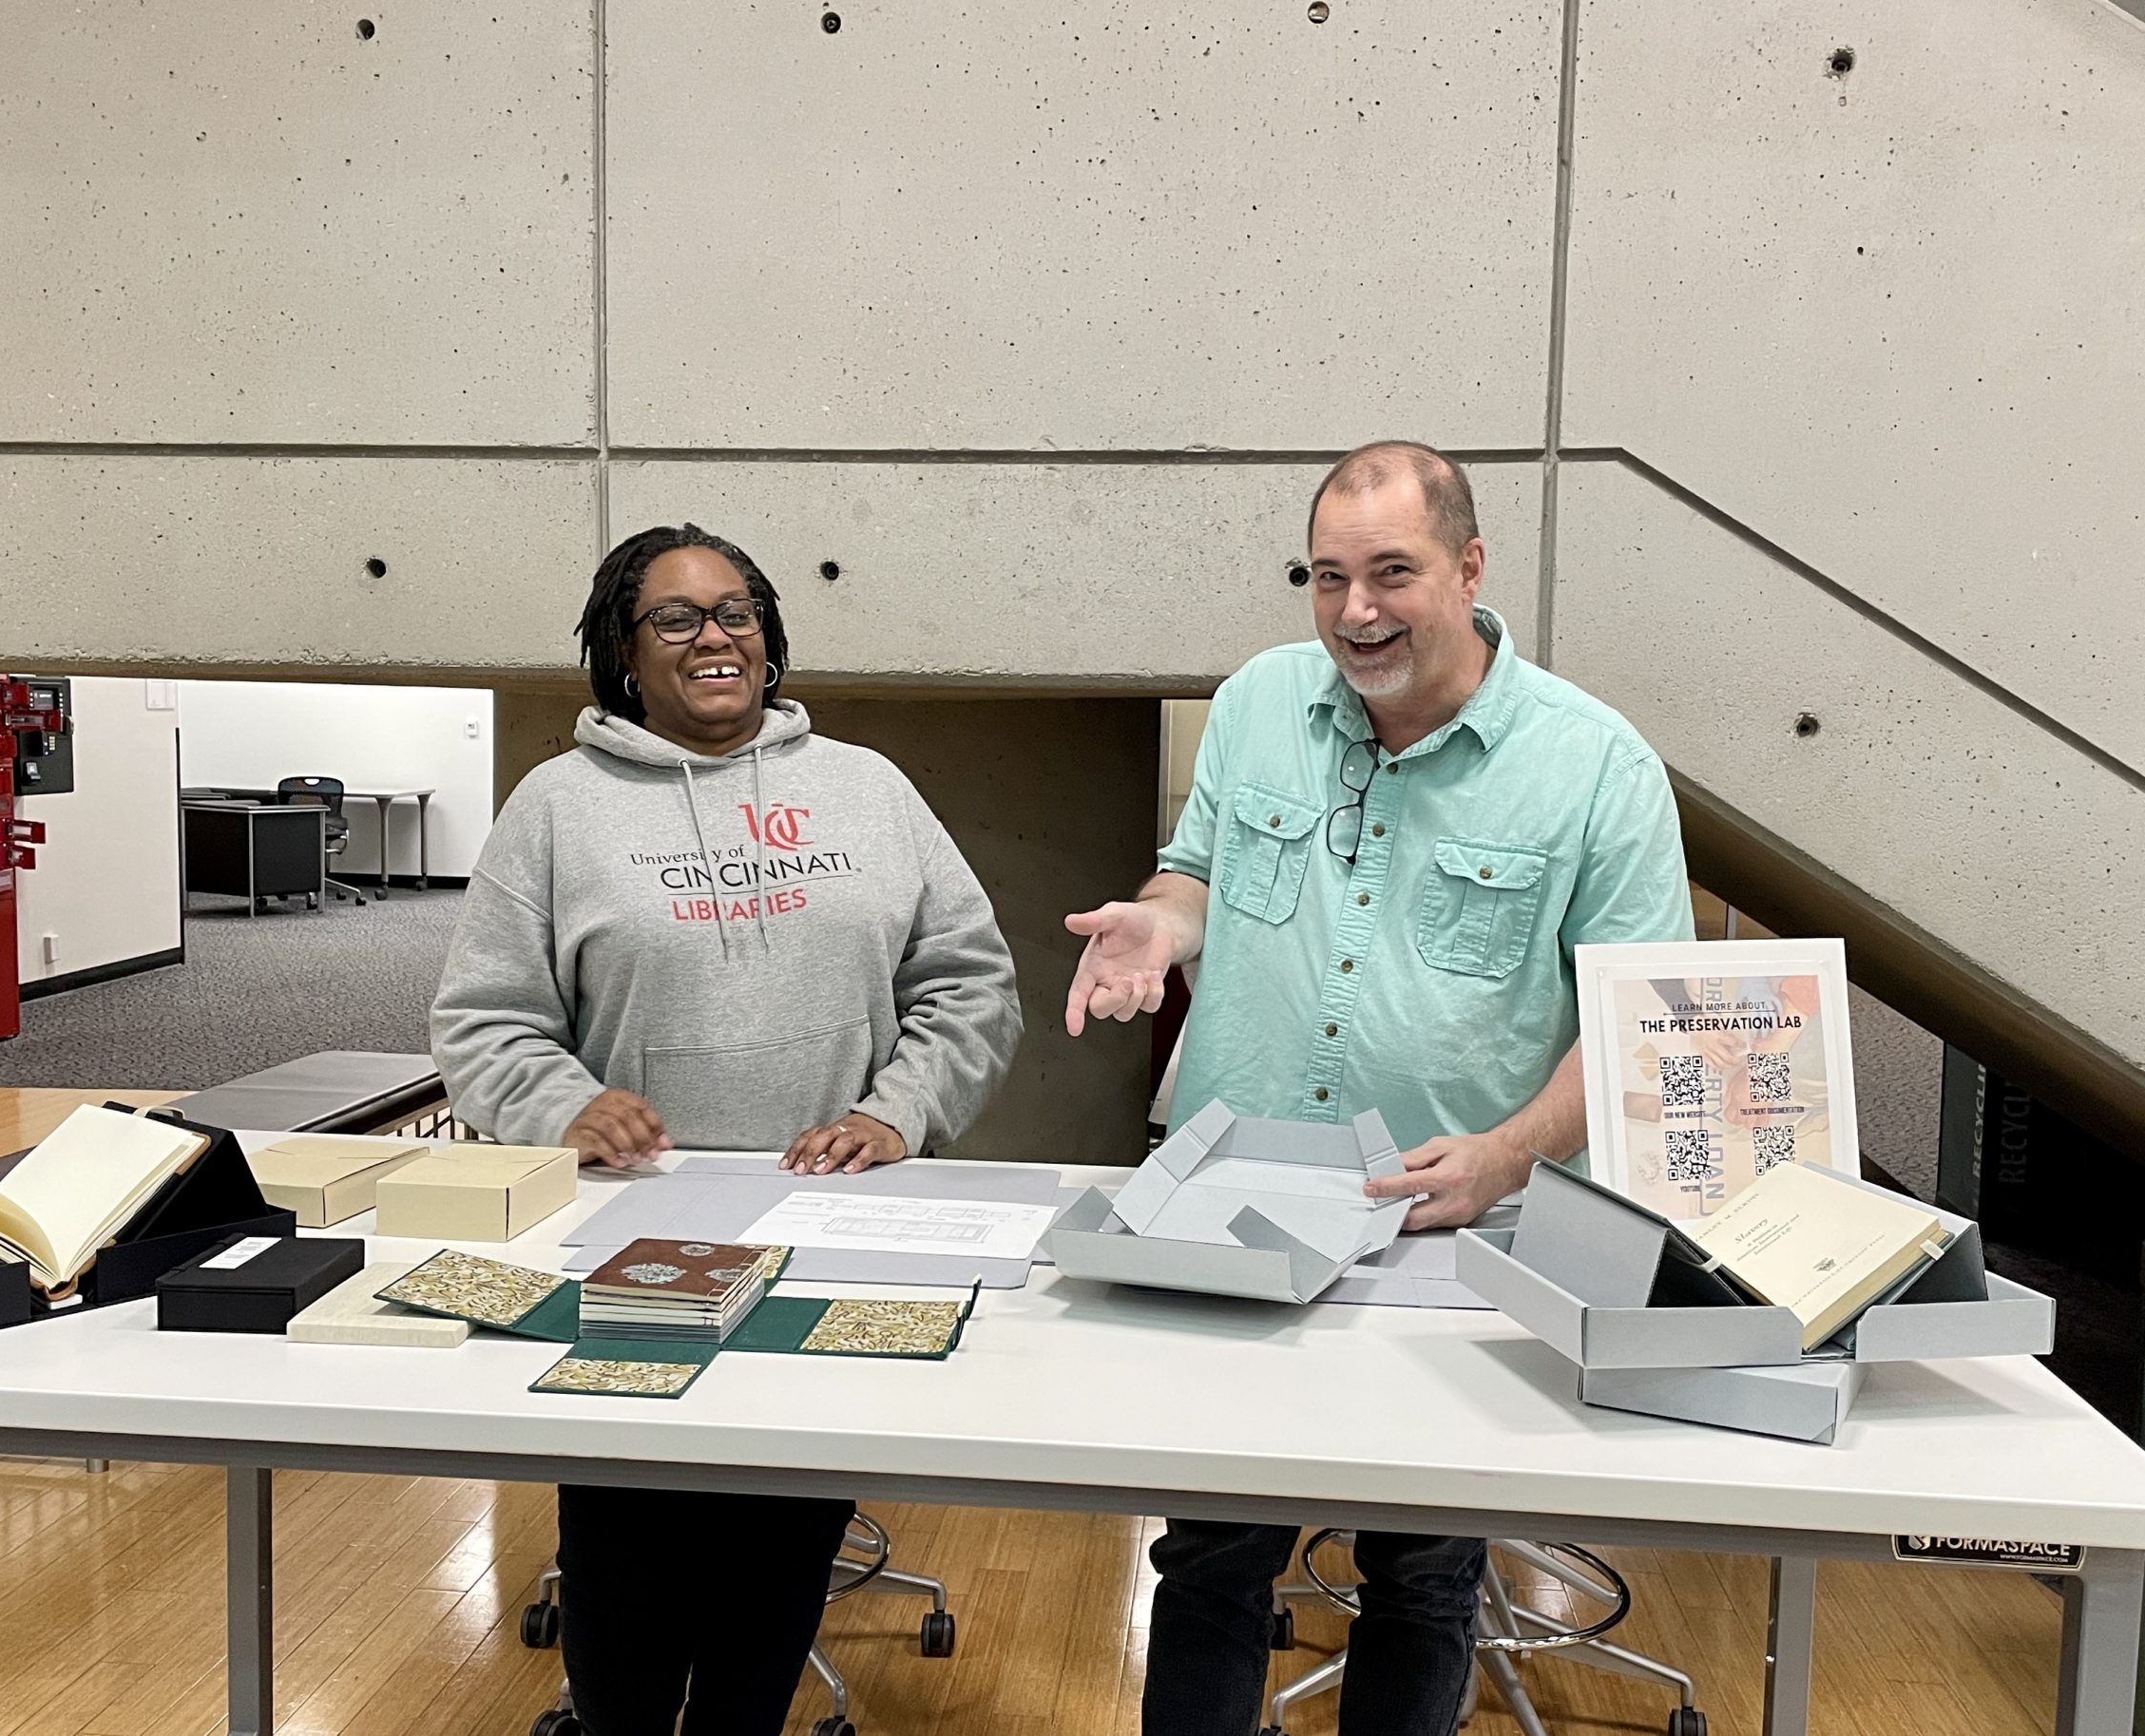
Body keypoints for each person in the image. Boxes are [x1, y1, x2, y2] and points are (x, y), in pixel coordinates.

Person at [1063, 442, 1692, 1736]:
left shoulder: (1597, 765)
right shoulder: (1254, 704)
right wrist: (1165, 927)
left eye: (1393, 572)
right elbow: (1193, 870)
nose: (1356, 611)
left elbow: (1637, 1025)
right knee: (1211, 1556)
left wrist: (1509, 1153)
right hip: (1234, 1202)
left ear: (1468, 566)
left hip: (1448, 1223)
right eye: (1329, 576)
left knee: (1420, 1569)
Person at [431, 522, 1021, 1736]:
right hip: (629, 1239)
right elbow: (483, 1020)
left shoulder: (870, 788)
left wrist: (894, 1110)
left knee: (781, 1540)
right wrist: (561, 1104)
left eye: (738, 609)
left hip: (834, 1227)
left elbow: (972, 984)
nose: (716, 636)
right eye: (678, 616)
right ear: (622, 651)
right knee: (627, 1551)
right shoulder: (555, 808)